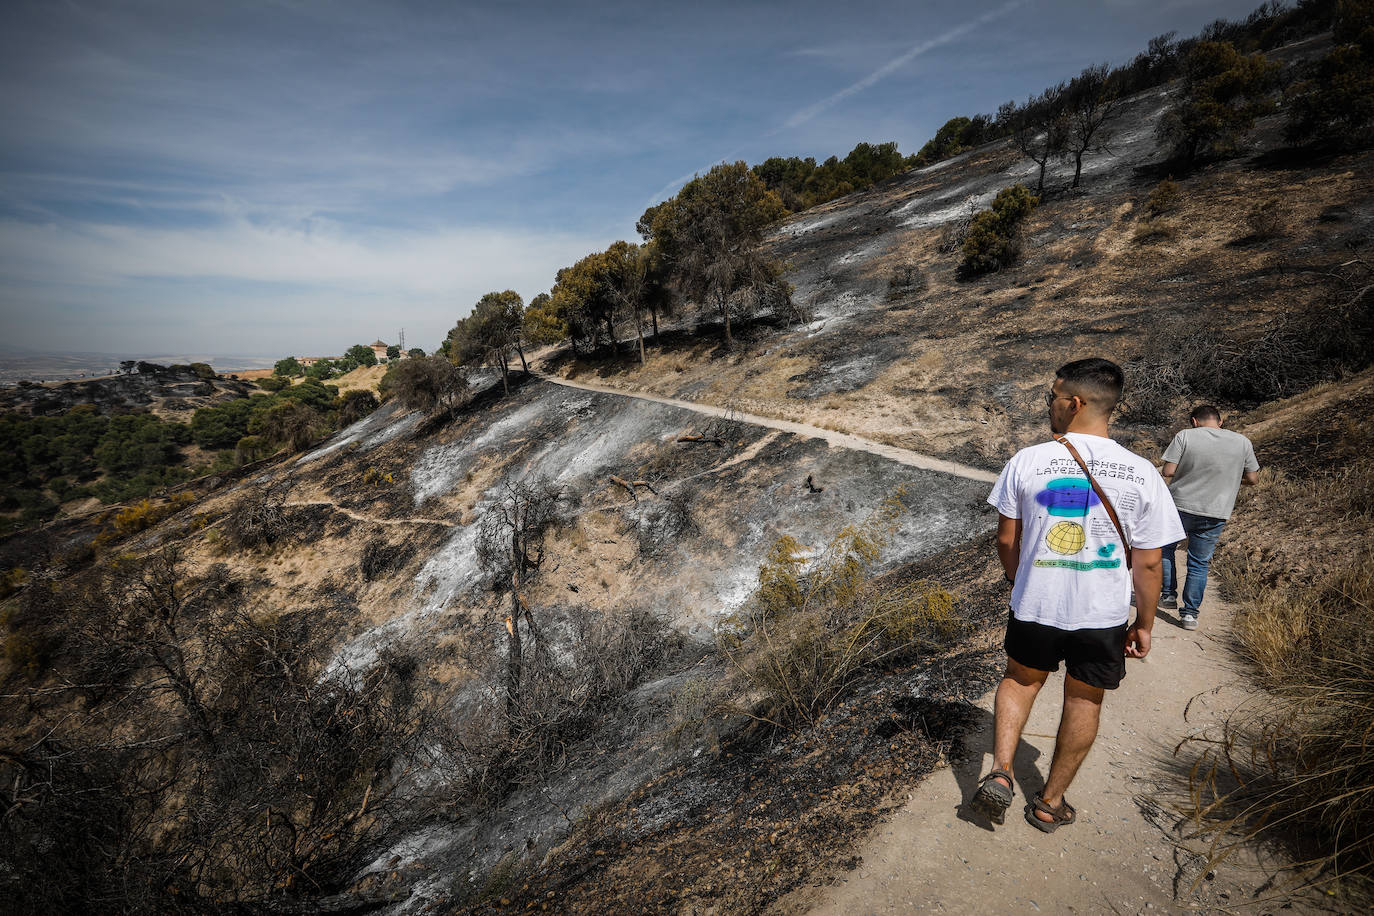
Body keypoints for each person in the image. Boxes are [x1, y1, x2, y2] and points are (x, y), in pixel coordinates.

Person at [972, 358, 1184, 832]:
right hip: (1101, 615)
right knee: (1085, 701)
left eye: (1052, 396)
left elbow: (1008, 541)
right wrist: (1144, 623)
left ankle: (1002, 774)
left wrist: (1018, 581)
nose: (1049, 404)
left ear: (1074, 403)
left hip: (1035, 605)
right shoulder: (1142, 473)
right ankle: (1049, 802)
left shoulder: (1026, 461)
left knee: (1020, 681)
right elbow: (1149, 563)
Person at [1159, 405, 1259, 630]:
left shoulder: (1185, 436)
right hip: (1216, 509)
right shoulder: (1242, 441)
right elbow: (1252, 478)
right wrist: (1232, 479)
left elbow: (1168, 471)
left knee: (1166, 549)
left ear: (1194, 421)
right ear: (1220, 421)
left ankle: (1168, 595)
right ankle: (1190, 615)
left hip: (1180, 505)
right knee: (1199, 563)